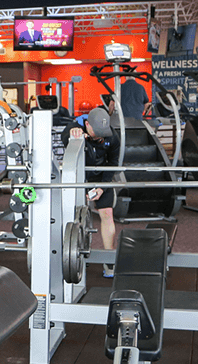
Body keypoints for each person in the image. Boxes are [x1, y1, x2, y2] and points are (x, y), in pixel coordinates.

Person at [62, 107, 120, 278]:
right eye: (97, 134)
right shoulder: (74, 128)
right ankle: (74, 258)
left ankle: (109, 261)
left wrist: (102, 186)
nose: (100, 138)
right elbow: (65, 138)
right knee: (75, 216)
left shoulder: (112, 136)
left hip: (101, 177)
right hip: (78, 176)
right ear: (87, 124)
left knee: (107, 214)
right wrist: (73, 134)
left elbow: (113, 162)